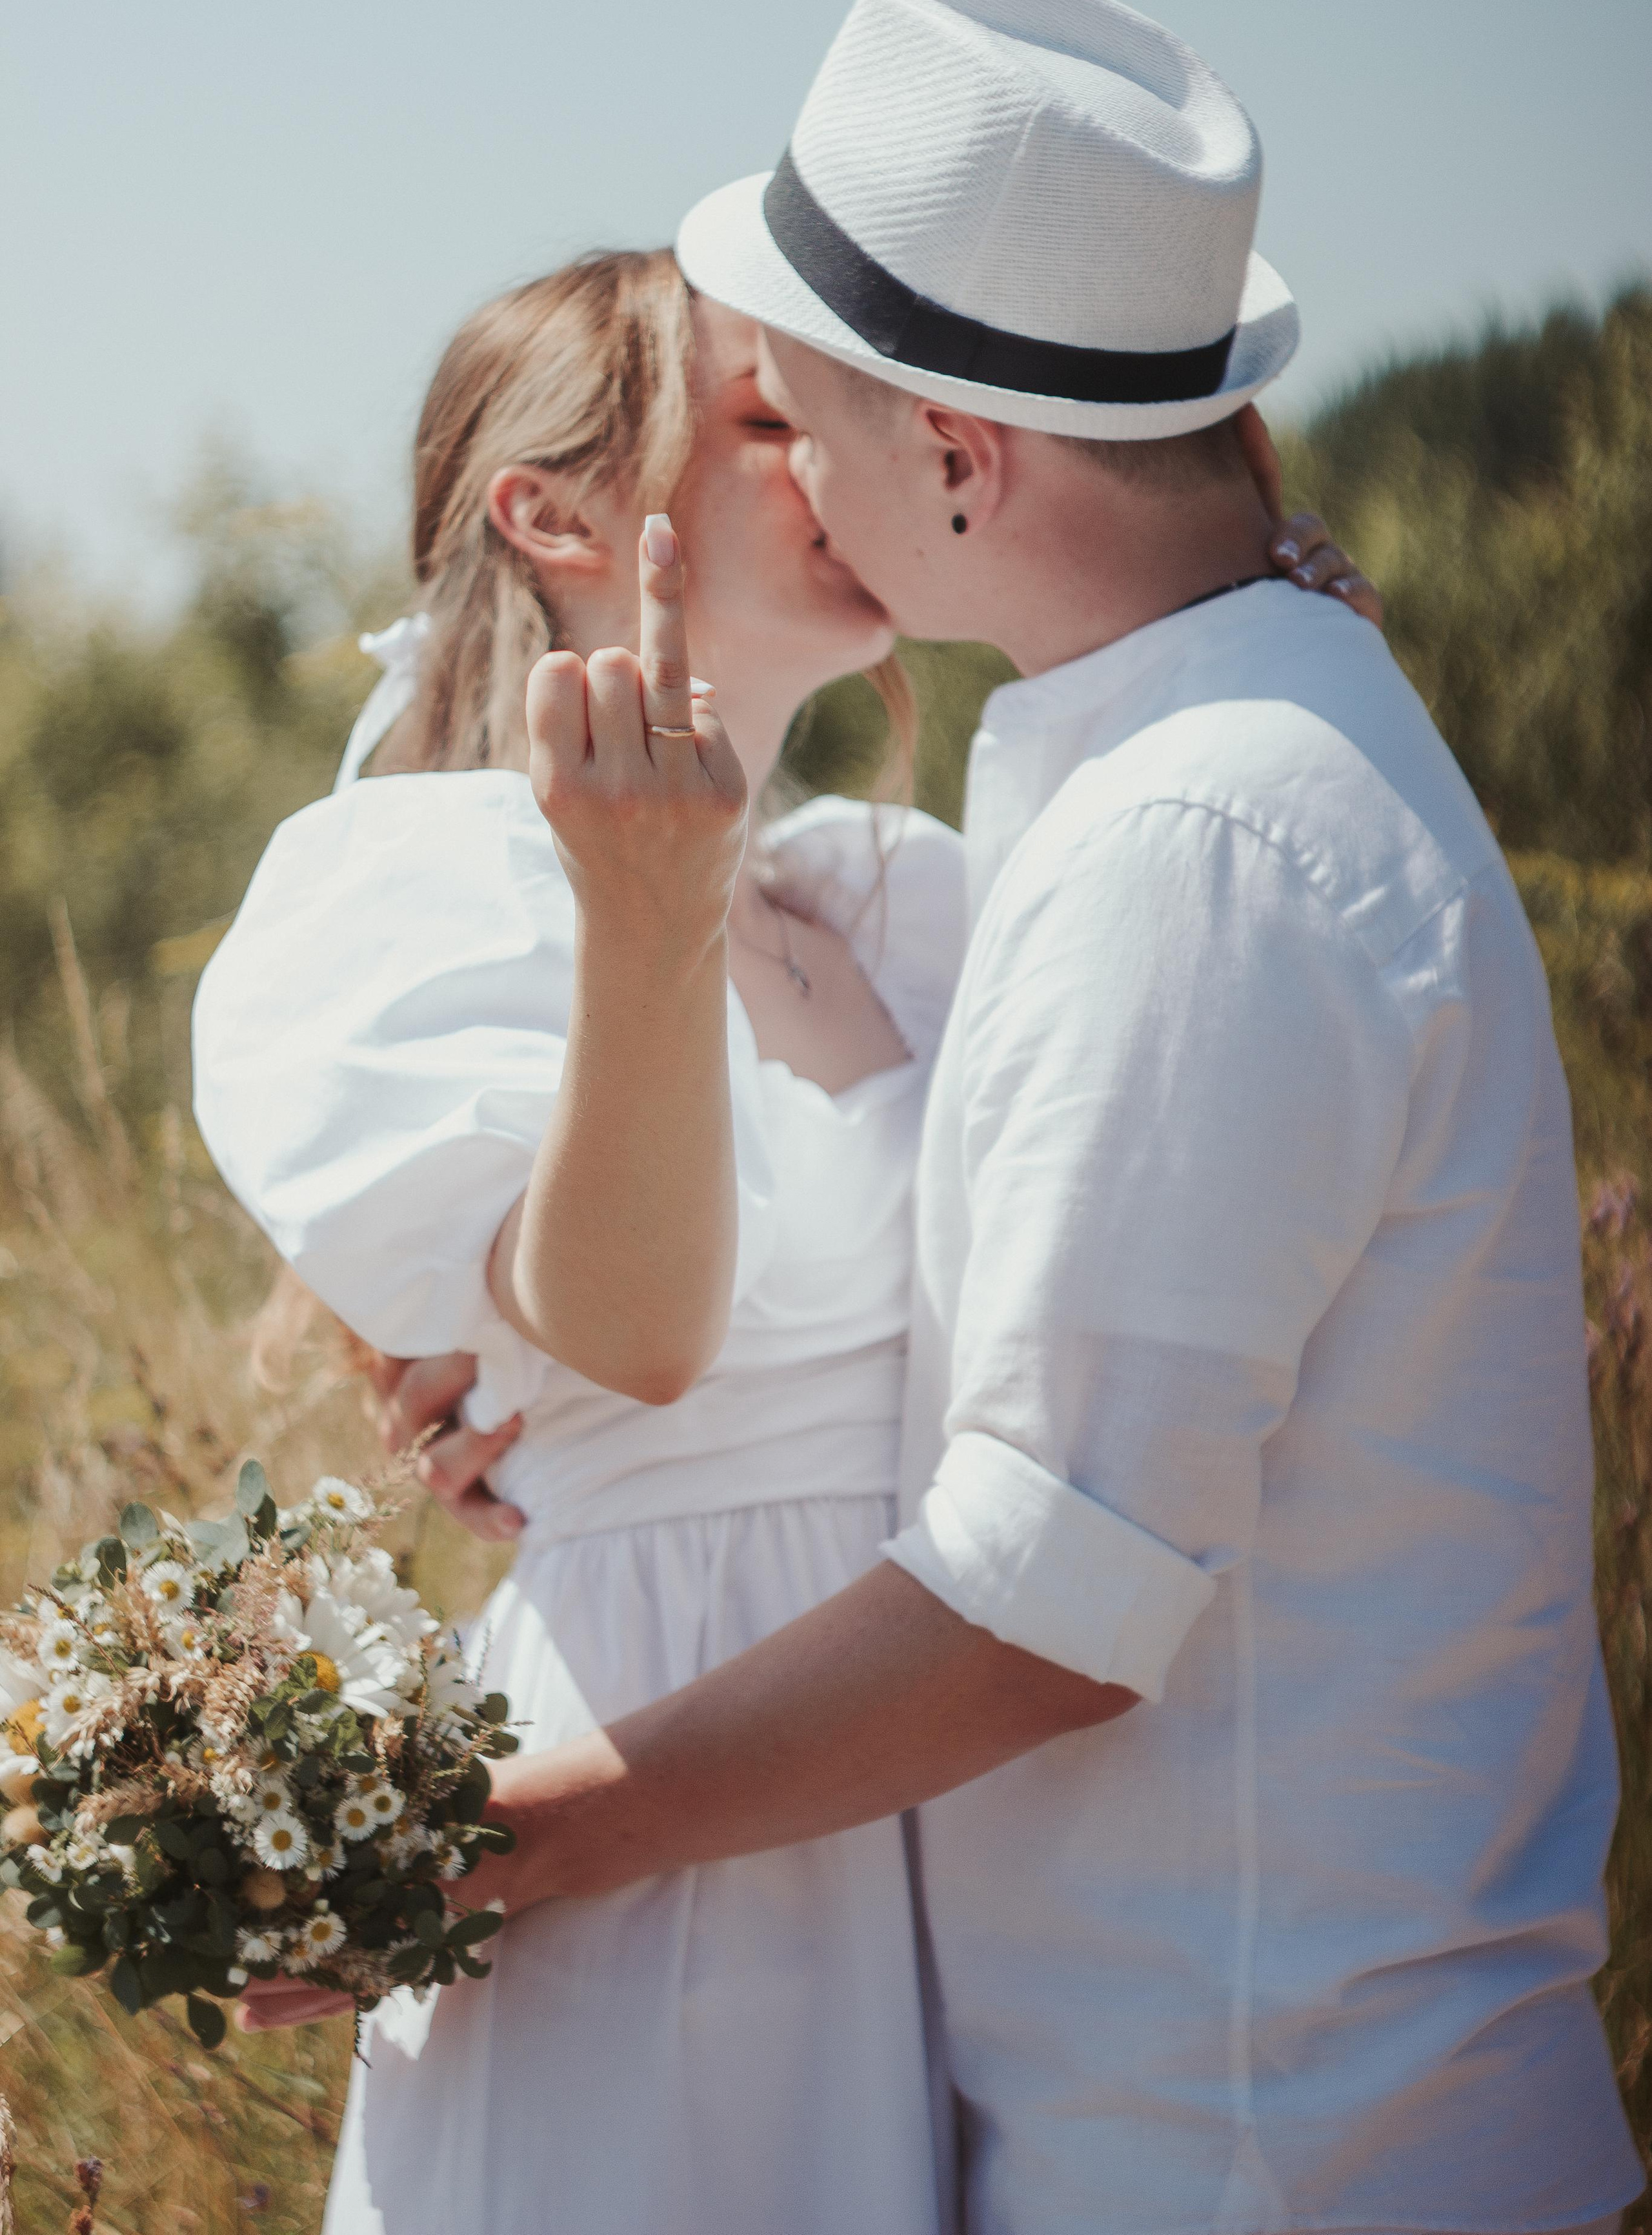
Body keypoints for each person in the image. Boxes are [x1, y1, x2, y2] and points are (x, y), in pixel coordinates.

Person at [310, 0, 1640, 2232]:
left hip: (1256, 2147)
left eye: (802, 416)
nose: (803, 479)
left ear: (956, 455)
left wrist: (480, 1851)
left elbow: (1043, 1607)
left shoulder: (1190, 848)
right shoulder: (1180, 775)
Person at [195, 238, 1372, 2229]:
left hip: (940, 1818)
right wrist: (639, 920)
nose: (851, 461)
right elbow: (642, 1339)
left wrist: (1246, 635)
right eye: (768, 423)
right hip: (641, 1838)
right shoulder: (402, 901)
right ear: (553, 513)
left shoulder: (885, 899)